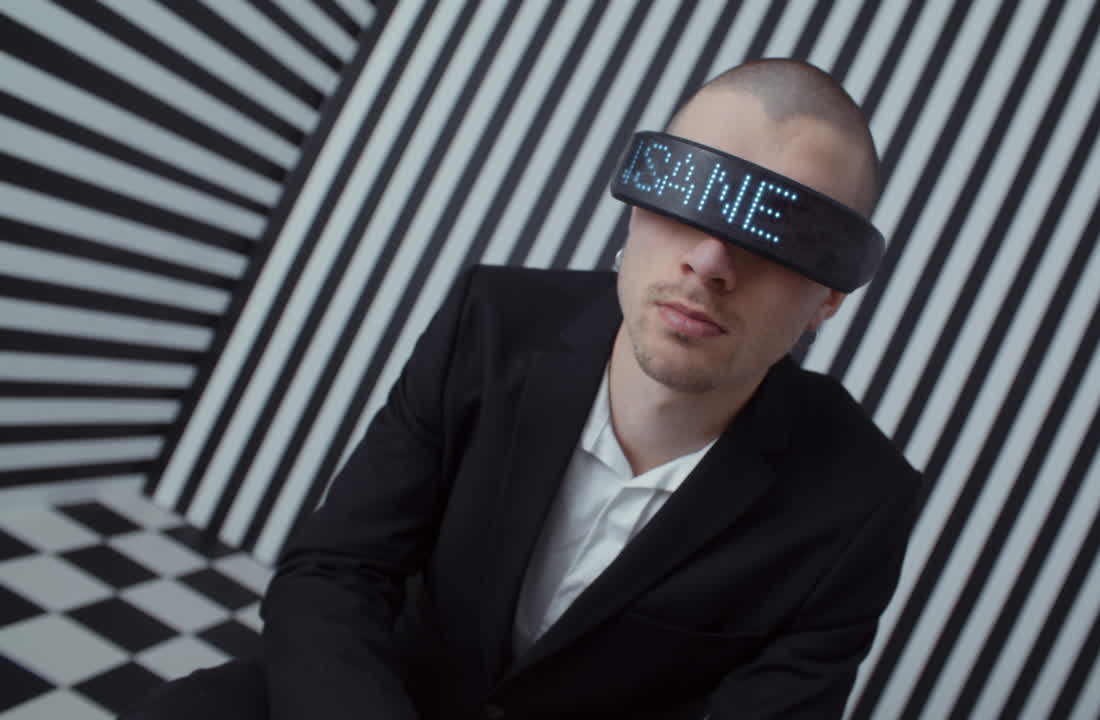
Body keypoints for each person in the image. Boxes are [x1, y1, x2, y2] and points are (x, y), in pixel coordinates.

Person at [122, 58, 921, 720]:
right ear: (635, 210)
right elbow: (336, 571)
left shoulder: (858, 504)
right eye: (688, 192)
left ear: (829, 298)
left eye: (782, 233)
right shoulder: (491, 323)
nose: (712, 263)